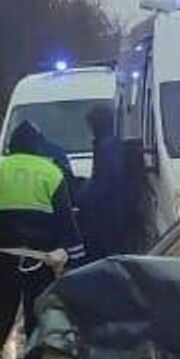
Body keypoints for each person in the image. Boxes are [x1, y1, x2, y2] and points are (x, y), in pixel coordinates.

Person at [0, 120, 87, 359]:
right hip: (40, 263)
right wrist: (77, 261)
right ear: (38, 146)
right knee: (37, 316)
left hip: (1, 262)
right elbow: (66, 223)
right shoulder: (51, 173)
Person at [74, 105, 127, 260]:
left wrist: (82, 197)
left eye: (91, 125)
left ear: (97, 124)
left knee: (105, 254)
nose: (90, 129)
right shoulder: (105, 143)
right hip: (110, 209)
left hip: (108, 211)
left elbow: (108, 179)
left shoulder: (107, 146)